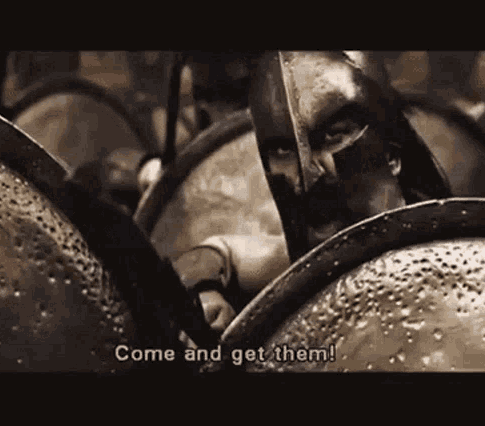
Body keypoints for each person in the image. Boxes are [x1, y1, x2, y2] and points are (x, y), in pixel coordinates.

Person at [155, 51, 454, 335]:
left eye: (333, 135)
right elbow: (220, 252)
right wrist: (205, 292)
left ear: (391, 155)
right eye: (283, 151)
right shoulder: (307, 261)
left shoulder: (456, 256)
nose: (309, 175)